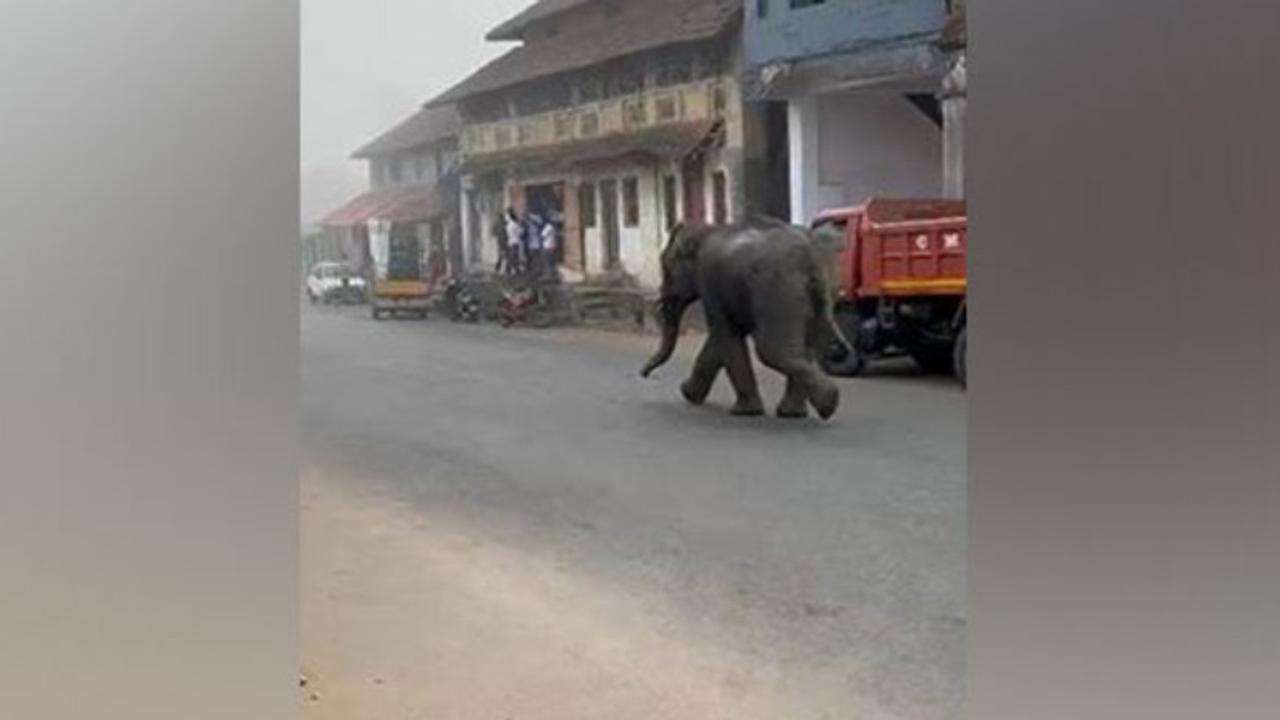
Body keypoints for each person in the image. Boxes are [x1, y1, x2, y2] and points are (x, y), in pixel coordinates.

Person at [503, 207, 524, 276]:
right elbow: (521, 232)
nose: (506, 217)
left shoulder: (510, 225)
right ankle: (514, 270)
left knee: (512, 256)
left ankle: (512, 270)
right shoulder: (514, 224)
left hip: (512, 242)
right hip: (515, 242)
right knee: (514, 256)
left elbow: (519, 232)